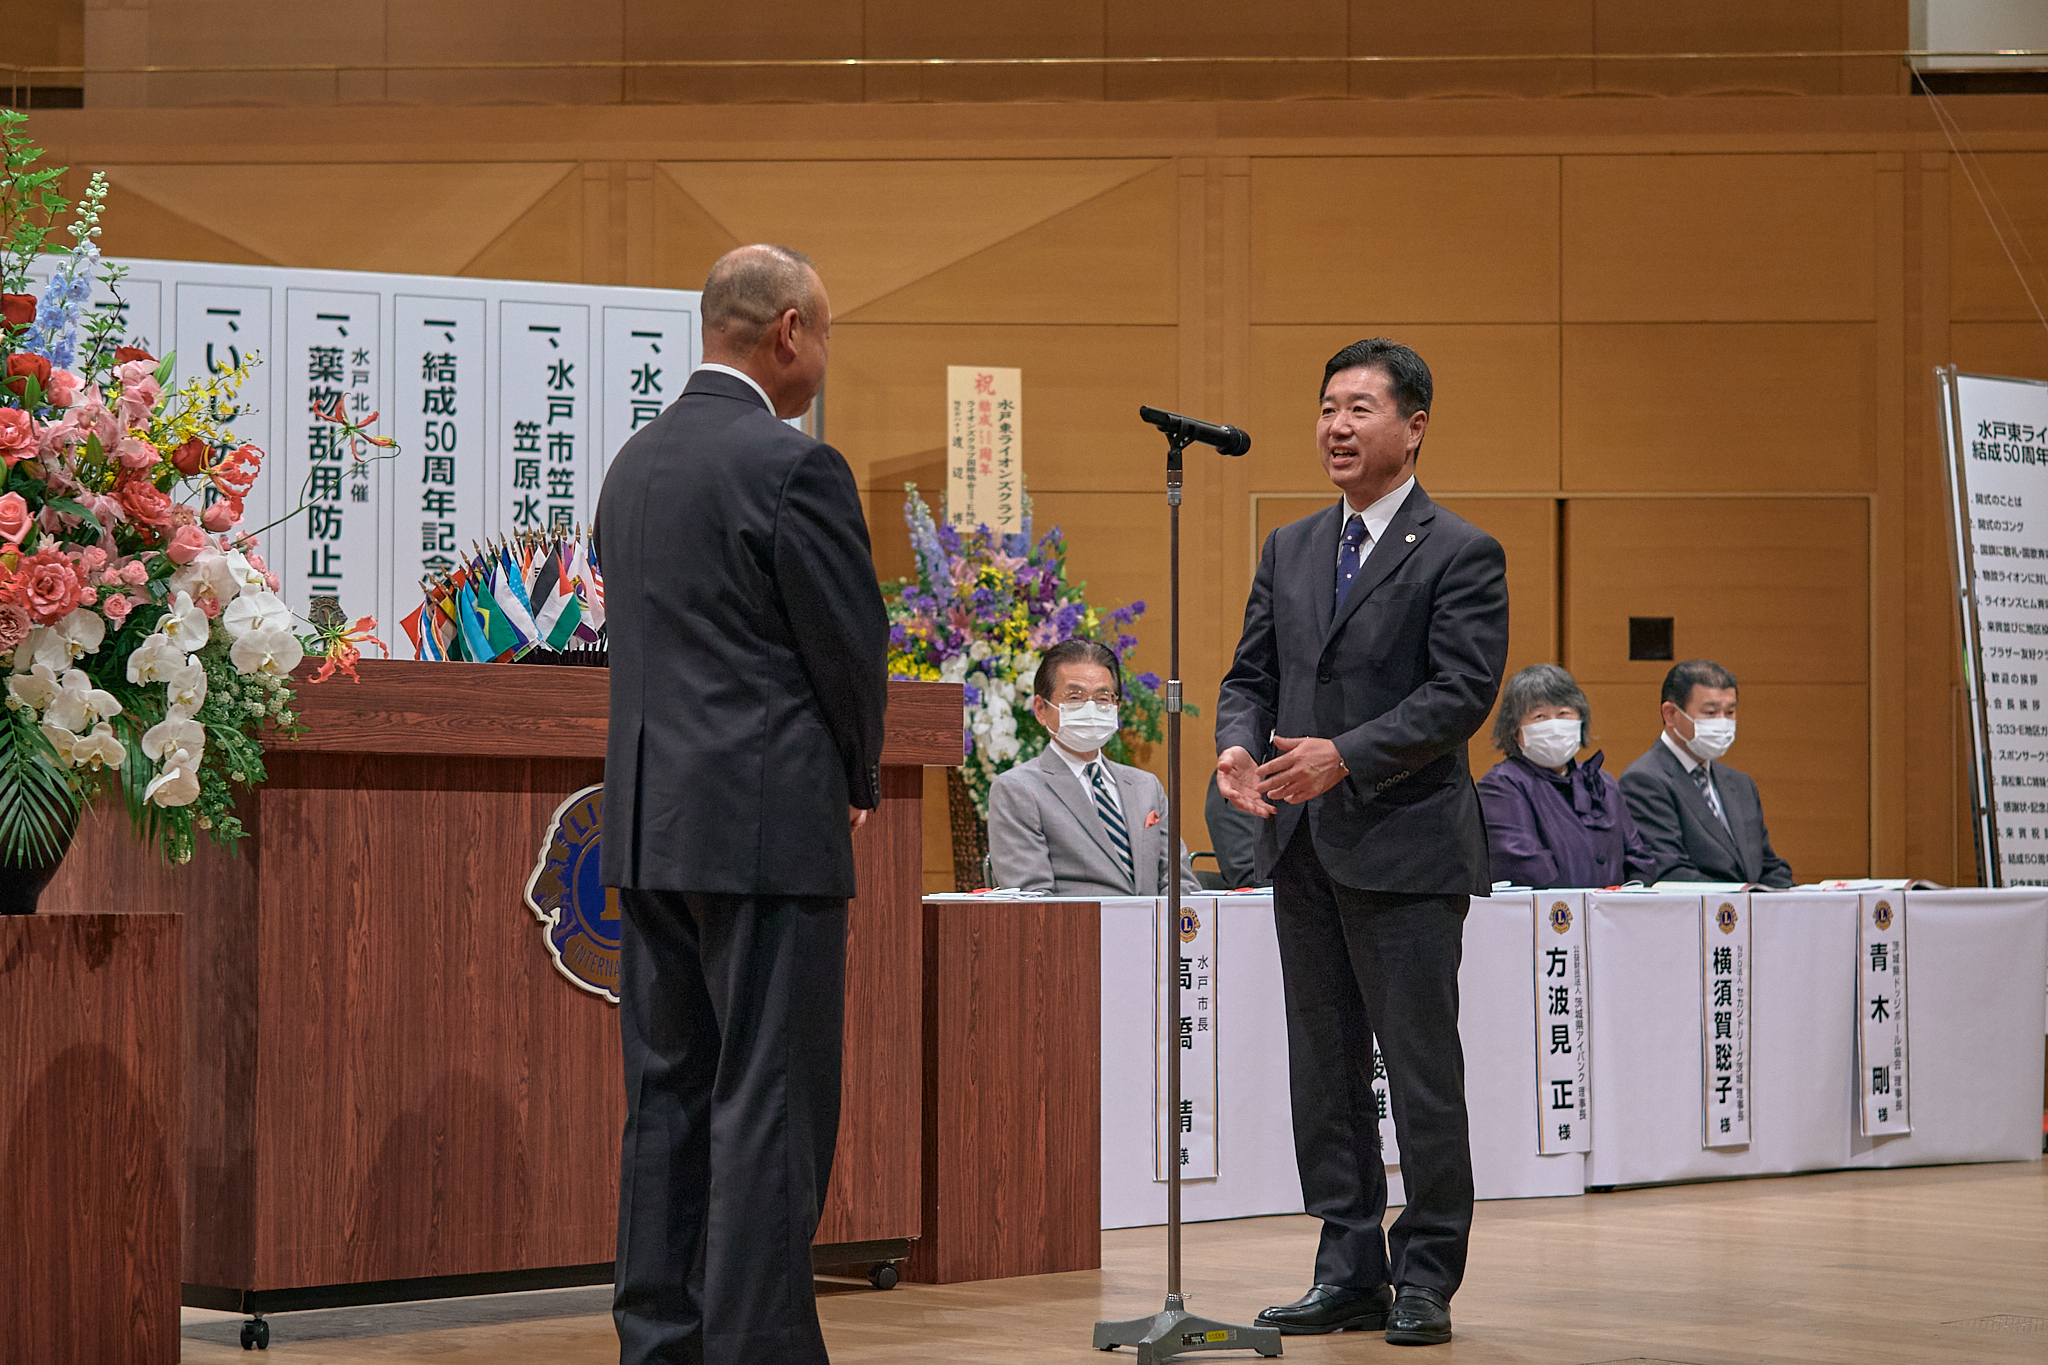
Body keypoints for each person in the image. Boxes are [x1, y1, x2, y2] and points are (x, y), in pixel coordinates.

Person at [597, 243, 889, 1365]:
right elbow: (846, 647)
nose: (822, 357)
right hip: (767, 828)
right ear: (786, 333)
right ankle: (759, 1345)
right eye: (824, 333)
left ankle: (658, 1338)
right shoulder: (792, 466)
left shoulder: (633, 463)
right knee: (768, 1096)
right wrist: (855, 776)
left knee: (665, 1092)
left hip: (649, 826)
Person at [1215, 338, 1508, 1347]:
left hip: (1406, 848)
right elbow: (1247, 675)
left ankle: (1425, 1273)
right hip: (1300, 847)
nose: (1335, 426)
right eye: (1326, 407)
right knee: (1323, 1068)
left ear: (1412, 425)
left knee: (1417, 1069)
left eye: (1359, 408)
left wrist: (1346, 753)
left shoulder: (1460, 552)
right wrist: (1232, 748)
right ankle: (1347, 1265)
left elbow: (1458, 695)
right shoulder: (1290, 546)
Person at [986, 637, 1201, 897]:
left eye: (1103, 698)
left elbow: (1180, 884)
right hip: (1078, 935)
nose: (1091, 708)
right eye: (1075, 697)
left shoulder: (1146, 786)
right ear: (1041, 709)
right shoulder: (1017, 789)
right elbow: (1033, 901)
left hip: (1157, 934)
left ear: (1117, 708)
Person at [1619, 658, 1794, 888]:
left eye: (1730, 712)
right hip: (1693, 918)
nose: (1723, 723)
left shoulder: (1741, 783)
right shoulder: (1643, 780)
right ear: (1671, 714)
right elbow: (1668, 871)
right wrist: (1743, 895)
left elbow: (1767, 864)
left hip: (1751, 917)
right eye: (1710, 713)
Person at [1476, 664, 1649, 889]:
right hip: (1554, 917)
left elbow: (1640, 858)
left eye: (1564, 713)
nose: (1554, 725)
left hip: (1616, 916)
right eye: (1539, 716)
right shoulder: (1500, 785)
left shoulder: (1601, 781)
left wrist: (1626, 896)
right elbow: (1526, 866)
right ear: (1514, 729)